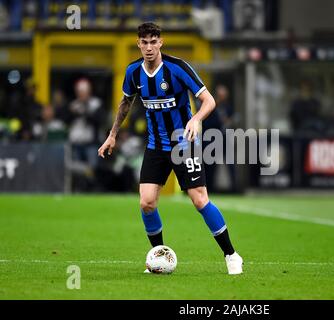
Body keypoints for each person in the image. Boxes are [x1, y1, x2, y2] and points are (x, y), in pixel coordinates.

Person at [97, 22, 243, 275]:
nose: (150, 47)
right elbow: (125, 103)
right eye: (145, 42)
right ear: (138, 44)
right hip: (156, 145)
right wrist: (112, 135)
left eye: (154, 42)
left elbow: (209, 100)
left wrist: (196, 119)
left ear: (161, 42)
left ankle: (231, 255)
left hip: (184, 143)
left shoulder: (177, 68)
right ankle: (159, 256)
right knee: (147, 203)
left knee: (199, 199)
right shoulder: (133, 72)